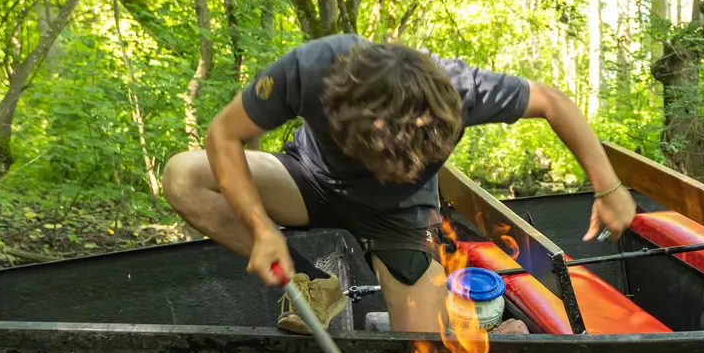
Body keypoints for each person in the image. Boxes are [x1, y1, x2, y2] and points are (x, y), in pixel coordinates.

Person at [163, 35, 636, 332]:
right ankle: (315, 283)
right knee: (184, 177)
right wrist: (262, 230)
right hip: (308, 180)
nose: (404, 167)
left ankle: (469, 330)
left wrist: (609, 187)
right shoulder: (312, 70)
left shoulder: (462, 89)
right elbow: (223, 134)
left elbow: (553, 102)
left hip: (399, 217)